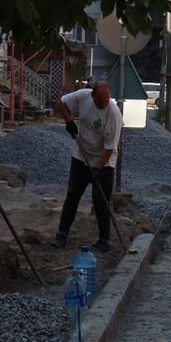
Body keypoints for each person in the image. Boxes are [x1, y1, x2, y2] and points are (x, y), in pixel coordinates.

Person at [51, 80, 123, 252]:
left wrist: (98, 168)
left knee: (100, 200)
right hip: (82, 155)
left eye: (106, 100)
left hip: (104, 160)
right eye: (100, 100)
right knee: (73, 194)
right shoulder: (83, 97)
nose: (104, 104)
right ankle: (61, 234)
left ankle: (104, 239)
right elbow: (60, 103)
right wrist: (69, 121)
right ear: (92, 95)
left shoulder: (113, 114)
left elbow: (109, 147)